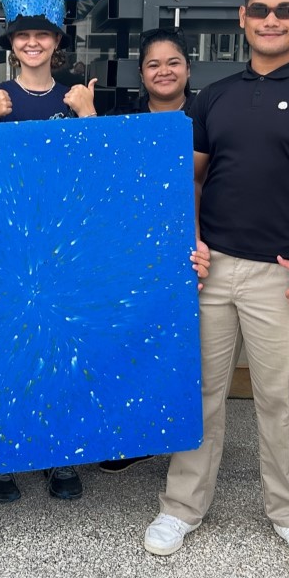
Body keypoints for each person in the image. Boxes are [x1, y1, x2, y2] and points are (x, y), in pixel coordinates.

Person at [143, 0, 289, 571]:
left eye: (285, 10)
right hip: (212, 271)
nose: (272, 20)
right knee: (199, 395)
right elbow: (190, 180)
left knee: (286, 401)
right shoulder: (214, 96)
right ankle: (181, 506)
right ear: (243, 18)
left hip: (287, 276)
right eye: (261, 10)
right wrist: (191, 241)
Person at [0, 0, 97, 503]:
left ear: (57, 40)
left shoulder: (75, 97)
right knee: (4, 351)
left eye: (42, 33)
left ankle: (58, 455)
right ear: (11, 43)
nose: (32, 42)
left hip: (60, 246)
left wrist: (89, 116)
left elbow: (98, 174)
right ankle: (1, 458)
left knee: (58, 350)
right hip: (3, 245)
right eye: (23, 35)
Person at [100, 26, 197, 475]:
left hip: (197, 246)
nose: (164, 71)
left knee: (187, 347)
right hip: (136, 250)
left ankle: (184, 439)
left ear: (188, 68)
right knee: (136, 342)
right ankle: (136, 435)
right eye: (153, 64)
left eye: (173, 62)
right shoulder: (122, 119)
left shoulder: (208, 116)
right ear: (141, 74)